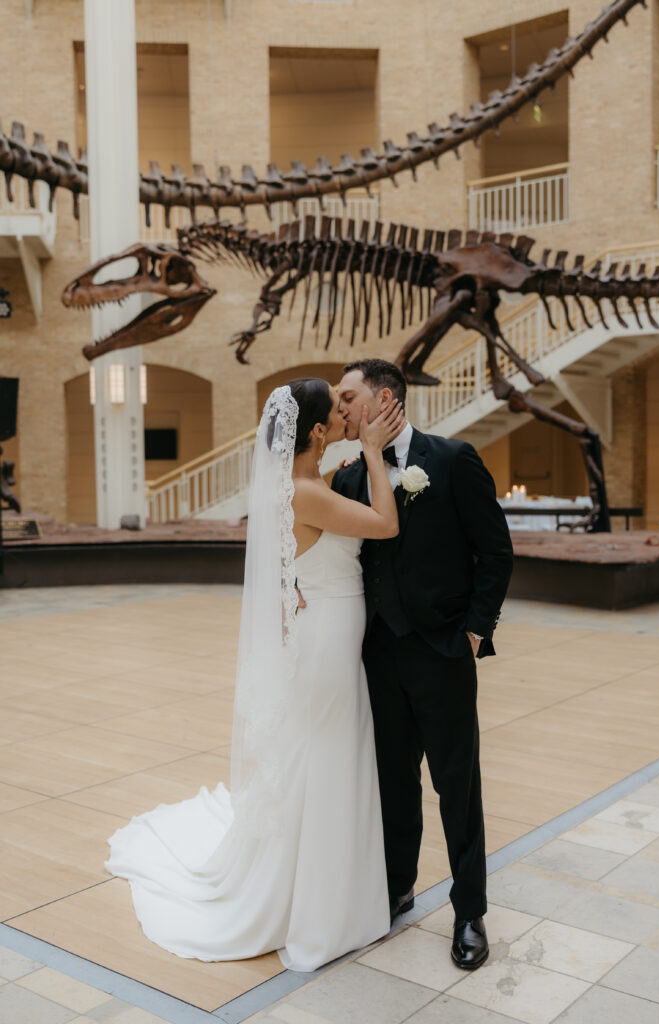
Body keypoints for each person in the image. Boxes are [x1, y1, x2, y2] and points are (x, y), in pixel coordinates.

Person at [105, 377, 405, 972]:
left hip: (324, 630)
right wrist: (372, 452)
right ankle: (319, 902)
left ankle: (323, 885)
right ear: (316, 430)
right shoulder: (305, 491)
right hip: (327, 641)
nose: (347, 415)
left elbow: (293, 556)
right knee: (327, 752)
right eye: (337, 411)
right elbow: (385, 524)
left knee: (320, 750)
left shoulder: (299, 483)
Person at [332, 358, 514, 971]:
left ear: (384, 400)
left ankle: (470, 911)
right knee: (392, 781)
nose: (341, 407)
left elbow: (495, 551)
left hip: (443, 652)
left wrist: (474, 632)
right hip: (376, 655)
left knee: (457, 785)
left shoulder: (453, 459)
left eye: (349, 397)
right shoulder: (348, 477)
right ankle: (397, 887)